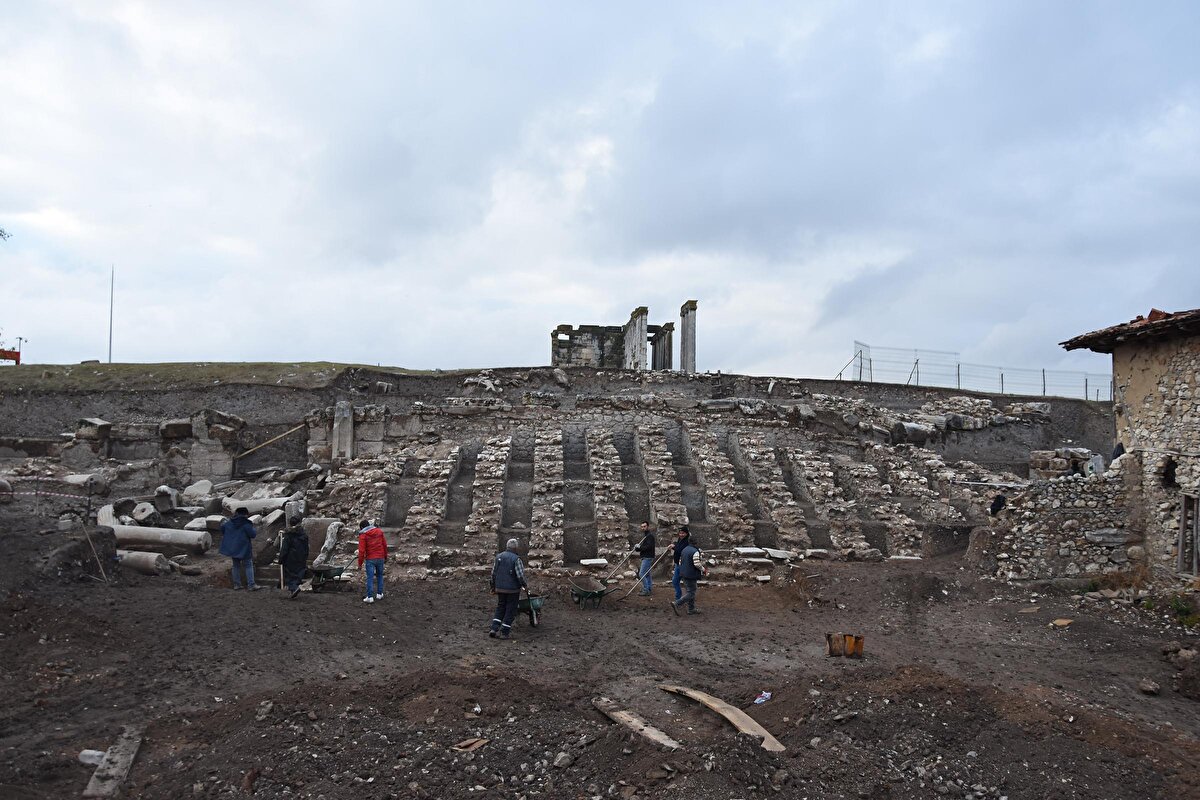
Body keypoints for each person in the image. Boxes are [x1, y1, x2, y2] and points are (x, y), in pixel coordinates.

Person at [489, 538, 528, 639]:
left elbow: (493, 573)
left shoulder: (499, 557)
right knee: (510, 609)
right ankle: (504, 632)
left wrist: (493, 586)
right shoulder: (516, 559)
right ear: (516, 548)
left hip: (500, 588)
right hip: (512, 590)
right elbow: (520, 576)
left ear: (507, 546)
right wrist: (524, 585)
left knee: (501, 606)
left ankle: (494, 628)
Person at [220, 507, 262, 591]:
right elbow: (253, 535)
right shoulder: (246, 523)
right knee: (248, 565)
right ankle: (251, 585)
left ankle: (237, 585)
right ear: (245, 514)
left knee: (236, 566)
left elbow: (223, 528)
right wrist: (253, 528)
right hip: (245, 548)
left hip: (233, 548)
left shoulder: (229, 522)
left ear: (236, 513)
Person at [671, 534, 706, 615]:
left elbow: (680, 562)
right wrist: (703, 570)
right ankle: (677, 603)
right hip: (691, 574)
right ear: (696, 543)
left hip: (683, 573)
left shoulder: (684, 550)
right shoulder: (695, 551)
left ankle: (691, 609)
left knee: (690, 591)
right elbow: (697, 564)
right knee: (691, 592)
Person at [278, 516, 310, 599]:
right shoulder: (304, 534)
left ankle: (294, 588)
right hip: (301, 557)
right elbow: (307, 547)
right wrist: (305, 556)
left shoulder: (288, 535)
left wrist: (281, 558)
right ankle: (295, 588)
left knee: (290, 575)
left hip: (290, 558)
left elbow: (284, 548)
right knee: (298, 574)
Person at [357, 520, 387, 604]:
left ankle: (370, 597)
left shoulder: (363, 535)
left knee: (370, 577)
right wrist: (385, 556)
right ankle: (379, 594)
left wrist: (360, 564)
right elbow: (384, 545)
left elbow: (361, 551)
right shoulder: (379, 531)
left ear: (362, 527)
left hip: (370, 559)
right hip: (380, 557)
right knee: (380, 575)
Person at [670, 525, 691, 602]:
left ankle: (688, 597)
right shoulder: (680, 540)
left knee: (686, 582)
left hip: (683, 565)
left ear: (686, 533)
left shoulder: (687, 542)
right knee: (675, 581)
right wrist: (674, 545)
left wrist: (674, 547)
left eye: (683, 533)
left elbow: (681, 550)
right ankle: (678, 598)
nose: (681, 535)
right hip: (677, 564)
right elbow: (678, 546)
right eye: (680, 533)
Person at [635, 521, 656, 596]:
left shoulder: (650, 536)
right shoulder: (646, 535)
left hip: (647, 557)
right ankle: (649, 588)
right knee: (647, 574)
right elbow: (644, 548)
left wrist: (640, 547)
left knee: (641, 574)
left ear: (648, 526)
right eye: (642, 527)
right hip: (646, 556)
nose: (643, 528)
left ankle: (646, 589)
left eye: (644, 526)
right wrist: (637, 548)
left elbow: (648, 547)